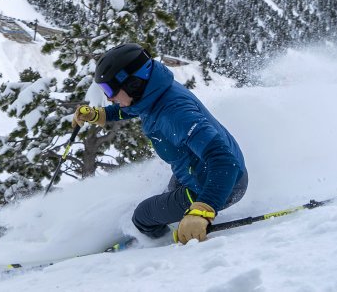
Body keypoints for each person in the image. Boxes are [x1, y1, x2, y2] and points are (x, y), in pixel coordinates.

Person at [73, 43, 247, 245]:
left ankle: (162, 245)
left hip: (219, 182)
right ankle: (177, 221)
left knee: (142, 216)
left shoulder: (175, 113)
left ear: (132, 83)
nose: (108, 97)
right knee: (166, 196)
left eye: (110, 89)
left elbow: (225, 161)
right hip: (194, 171)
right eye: (103, 89)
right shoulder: (152, 93)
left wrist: (204, 209)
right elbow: (134, 108)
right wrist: (100, 114)